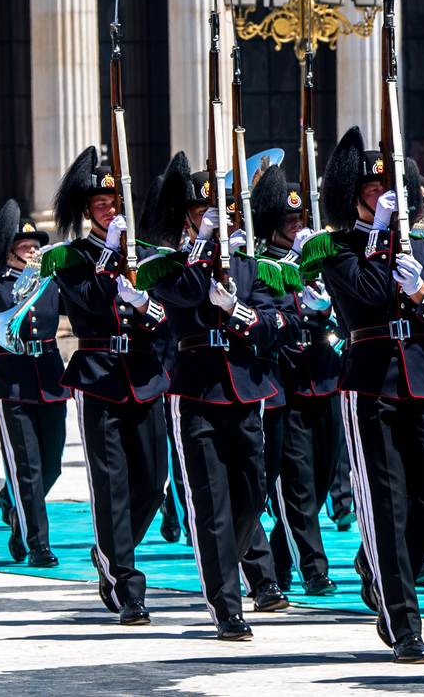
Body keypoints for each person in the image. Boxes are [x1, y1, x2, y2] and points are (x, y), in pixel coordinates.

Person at [320, 129, 424, 664]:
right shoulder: (335, 250)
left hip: (422, 379)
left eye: (389, 189)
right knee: (386, 504)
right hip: (371, 382)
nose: (383, 196)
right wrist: (379, 238)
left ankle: (382, 570)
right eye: (373, 189)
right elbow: (372, 294)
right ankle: (404, 623)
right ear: (354, 196)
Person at [144, 153, 289, 641]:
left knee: (253, 494)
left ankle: (227, 562)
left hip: (246, 388)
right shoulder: (169, 263)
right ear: (188, 216)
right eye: (206, 210)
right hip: (198, 388)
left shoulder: (250, 264)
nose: (219, 216)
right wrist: (202, 247)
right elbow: (181, 294)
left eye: (224, 209)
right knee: (211, 503)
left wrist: (241, 313)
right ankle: (226, 606)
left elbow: (278, 322)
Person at [52, 145, 172, 625]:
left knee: (153, 483)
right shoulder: (73, 257)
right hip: (99, 376)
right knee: (111, 485)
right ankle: (126, 583)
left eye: (115, 203)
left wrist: (145, 305)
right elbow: (89, 306)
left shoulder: (145, 257)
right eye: (101, 205)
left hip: (143, 375)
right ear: (88, 212)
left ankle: (108, 550)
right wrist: (108, 256)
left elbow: (165, 319)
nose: (109, 210)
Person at [253, 164, 341, 598]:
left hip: (324, 380)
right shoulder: (264, 266)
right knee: (297, 484)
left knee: (322, 479)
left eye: (301, 219)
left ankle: (280, 553)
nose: (297, 227)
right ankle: (314, 567)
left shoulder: (318, 262)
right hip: (287, 385)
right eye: (289, 222)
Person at [0, 202, 68, 567]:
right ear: (9, 248)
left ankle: (14, 507)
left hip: (49, 376)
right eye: (24, 242)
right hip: (11, 379)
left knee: (52, 465)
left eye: (34, 242)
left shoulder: (49, 283)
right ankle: (38, 544)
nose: (31, 247)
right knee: (26, 466)